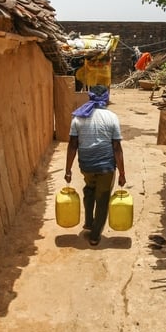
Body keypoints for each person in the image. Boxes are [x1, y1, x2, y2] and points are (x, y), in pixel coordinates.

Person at [64, 85, 126, 246]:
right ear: (106, 98)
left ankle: (89, 222)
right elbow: (117, 147)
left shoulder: (78, 117)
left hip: (86, 166)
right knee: (103, 198)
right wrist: (122, 173)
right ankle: (95, 235)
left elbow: (72, 145)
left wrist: (68, 170)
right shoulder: (112, 117)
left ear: (90, 97)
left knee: (89, 190)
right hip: (106, 167)